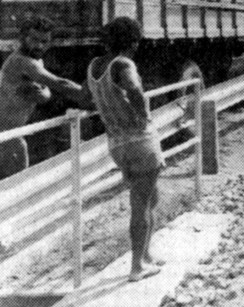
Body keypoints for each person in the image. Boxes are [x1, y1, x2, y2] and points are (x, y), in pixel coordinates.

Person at [82, 17, 166, 282]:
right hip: (139, 140)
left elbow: (87, 96)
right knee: (141, 204)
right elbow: (135, 89)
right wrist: (143, 116)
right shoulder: (124, 63)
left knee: (151, 197)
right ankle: (136, 267)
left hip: (116, 144)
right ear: (132, 41)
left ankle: (146, 254)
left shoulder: (95, 65)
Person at [0, 16, 83, 179]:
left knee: (15, 187)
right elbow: (61, 83)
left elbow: (44, 92)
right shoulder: (21, 61)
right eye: (34, 40)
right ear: (22, 38)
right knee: (16, 188)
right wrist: (96, 95)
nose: (39, 45)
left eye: (44, 41)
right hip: (5, 134)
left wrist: (45, 94)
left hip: (12, 133)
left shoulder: (36, 60)